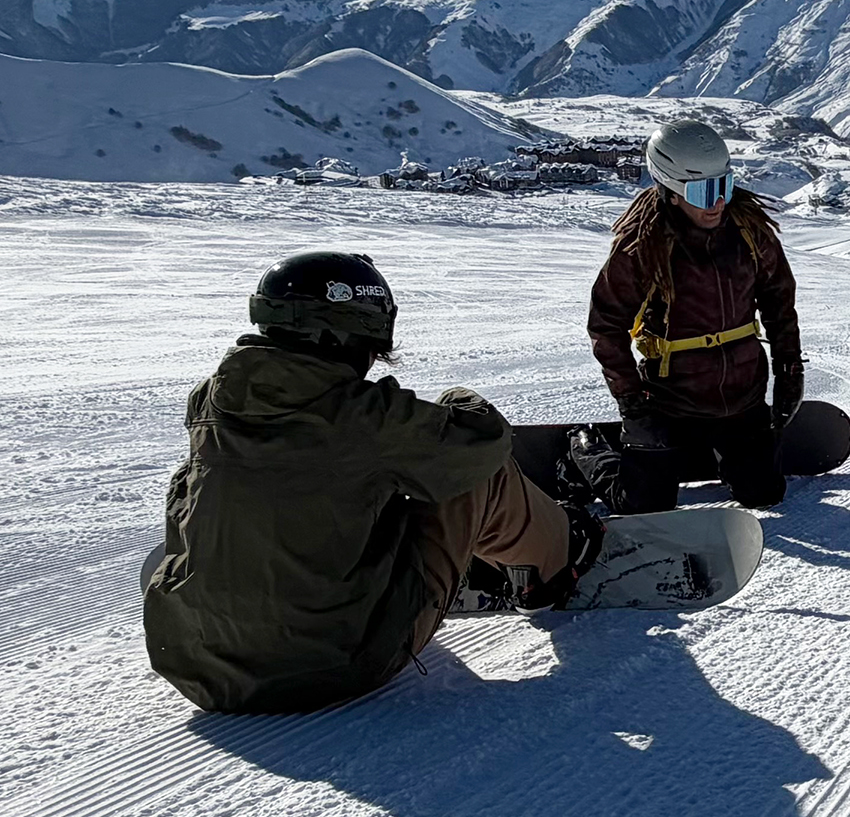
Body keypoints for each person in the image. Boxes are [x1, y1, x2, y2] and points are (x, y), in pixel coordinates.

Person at [144, 251, 604, 714]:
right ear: (352, 332)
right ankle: (555, 562)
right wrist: (462, 401)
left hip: (197, 667)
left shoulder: (210, 400)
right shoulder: (365, 417)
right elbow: (483, 444)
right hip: (333, 666)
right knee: (474, 474)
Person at [586, 120, 803, 513]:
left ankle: (718, 455)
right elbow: (606, 325)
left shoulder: (750, 232)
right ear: (670, 191)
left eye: (724, 186)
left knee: (764, 494)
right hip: (671, 400)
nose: (717, 202)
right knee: (644, 507)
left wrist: (789, 368)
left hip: (742, 397)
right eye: (703, 192)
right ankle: (587, 453)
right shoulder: (643, 244)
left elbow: (778, 300)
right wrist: (632, 403)